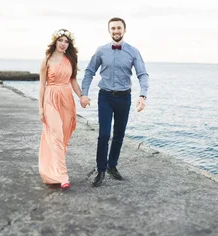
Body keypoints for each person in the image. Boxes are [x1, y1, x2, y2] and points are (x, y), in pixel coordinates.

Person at [81, 17, 149, 187]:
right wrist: (84, 93)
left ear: (124, 30)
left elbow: (142, 74)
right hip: (105, 96)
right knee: (104, 134)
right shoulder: (101, 51)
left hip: (124, 98)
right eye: (113, 28)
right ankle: (101, 169)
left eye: (119, 28)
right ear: (109, 31)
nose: (116, 31)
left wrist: (143, 96)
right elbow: (89, 71)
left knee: (119, 134)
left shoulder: (133, 51)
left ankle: (112, 166)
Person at [38, 29, 83, 190]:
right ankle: (63, 175)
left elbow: (74, 82)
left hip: (66, 99)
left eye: (66, 41)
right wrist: (41, 108)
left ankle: (54, 171)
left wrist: (82, 97)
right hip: (51, 98)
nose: (63, 44)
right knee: (56, 134)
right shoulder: (47, 60)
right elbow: (42, 85)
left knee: (63, 138)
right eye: (61, 40)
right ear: (55, 41)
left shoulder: (71, 59)